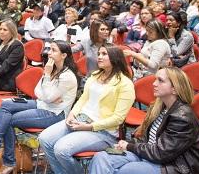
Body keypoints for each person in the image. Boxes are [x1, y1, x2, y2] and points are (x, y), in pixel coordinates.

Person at [0, 41, 79, 174]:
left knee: (9, 120)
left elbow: (47, 97)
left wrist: (46, 79)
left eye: (53, 50)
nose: (49, 53)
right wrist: (47, 95)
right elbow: (37, 92)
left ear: (64, 55)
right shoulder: (53, 69)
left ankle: (8, 163)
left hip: (54, 114)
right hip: (42, 104)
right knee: (5, 106)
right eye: (49, 49)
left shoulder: (67, 76)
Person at [89, 67, 199, 174]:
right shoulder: (160, 107)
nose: (154, 83)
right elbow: (148, 139)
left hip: (176, 165)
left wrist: (129, 146)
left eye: (160, 81)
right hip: (151, 155)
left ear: (175, 89)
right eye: (155, 79)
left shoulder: (182, 117)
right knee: (102, 158)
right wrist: (127, 144)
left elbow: (161, 153)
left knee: (125, 170)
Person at [39, 44, 135, 174]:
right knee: (44, 138)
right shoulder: (95, 75)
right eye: (99, 54)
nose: (99, 57)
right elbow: (83, 99)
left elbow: (118, 119)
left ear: (115, 58)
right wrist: (72, 114)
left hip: (102, 132)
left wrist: (88, 127)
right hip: (80, 119)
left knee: (61, 149)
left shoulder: (125, 84)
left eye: (104, 54)